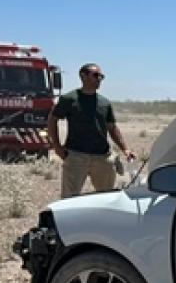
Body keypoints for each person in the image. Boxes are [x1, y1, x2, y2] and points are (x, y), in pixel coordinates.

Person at [47, 63, 136, 197]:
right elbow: (52, 120)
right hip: (76, 156)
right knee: (69, 198)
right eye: (95, 75)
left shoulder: (104, 103)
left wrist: (125, 149)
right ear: (83, 76)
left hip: (102, 157)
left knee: (106, 197)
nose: (99, 79)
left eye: (101, 76)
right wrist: (57, 146)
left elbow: (112, 127)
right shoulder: (69, 99)